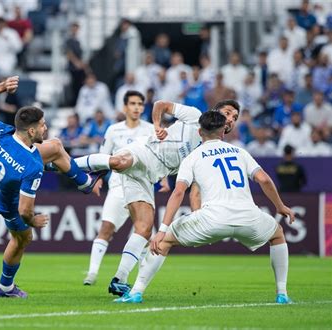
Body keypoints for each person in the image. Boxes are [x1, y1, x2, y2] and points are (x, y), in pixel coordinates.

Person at [116, 111, 295, 304]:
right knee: (277, 235)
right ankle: (282, 294)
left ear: (200, 132)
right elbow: (264, 179)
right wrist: (280, 206)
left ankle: (136, 292)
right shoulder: (240, 152)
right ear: (223, 132)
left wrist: (162, 230)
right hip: (248, 217)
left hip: (212, 219)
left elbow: (178, 193)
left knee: (164, 242)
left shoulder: (192, 157)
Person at [73, 99, 241, 297]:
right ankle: (66, 164)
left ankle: (119, 280)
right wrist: (157, 126)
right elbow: (161, 104)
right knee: (120, 161)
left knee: (144, 229)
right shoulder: (195, 115)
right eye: (228, 112)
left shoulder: (211, 150)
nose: (230, 119)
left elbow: (195, 190)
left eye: (235, 117)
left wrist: (200, 218)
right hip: (145, 150)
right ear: (215, 111)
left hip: (150, 176)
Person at [0, 76, 104, 298]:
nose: (46, 128)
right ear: (31, 131)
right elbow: (24, 211)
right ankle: (5, 288)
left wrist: (1, 87)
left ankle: (86, 183)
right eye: (42, 125)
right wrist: (34, 220)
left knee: (57, 146)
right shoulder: (33, 166)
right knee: (24, 238)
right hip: (4, 202)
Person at [83, 90, 155, 286]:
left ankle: (139, 278)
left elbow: (157, 157)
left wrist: (163, 179)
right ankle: (92, 273)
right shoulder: (114, 130)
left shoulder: (150, 129)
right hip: (118, 186)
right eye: (133, 103)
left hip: (142, 187)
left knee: (145, 233)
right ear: (125, 107)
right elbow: (102, 156)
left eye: (140, 104)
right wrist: (97, 179)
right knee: (106, 227)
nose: (137, 107)